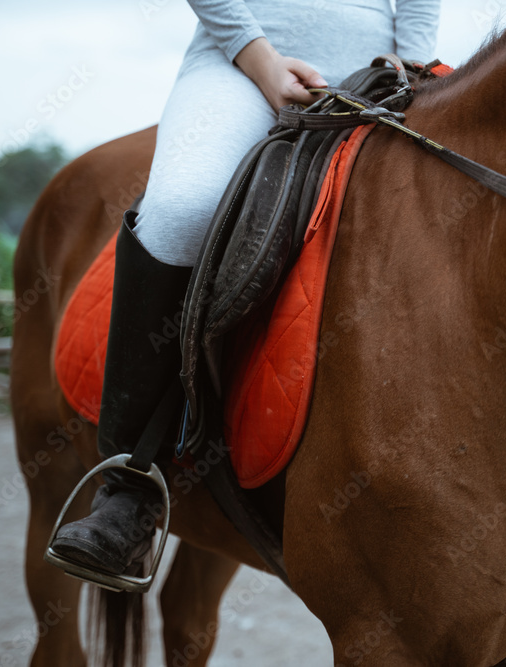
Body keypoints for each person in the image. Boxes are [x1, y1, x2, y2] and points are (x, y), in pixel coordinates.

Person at [50, 0, 441, 579]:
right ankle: (128, 489)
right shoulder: (250, 62)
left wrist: (412, 62)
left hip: (388, 69)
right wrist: (261, 62)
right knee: (184, 211)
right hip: (247, 63)